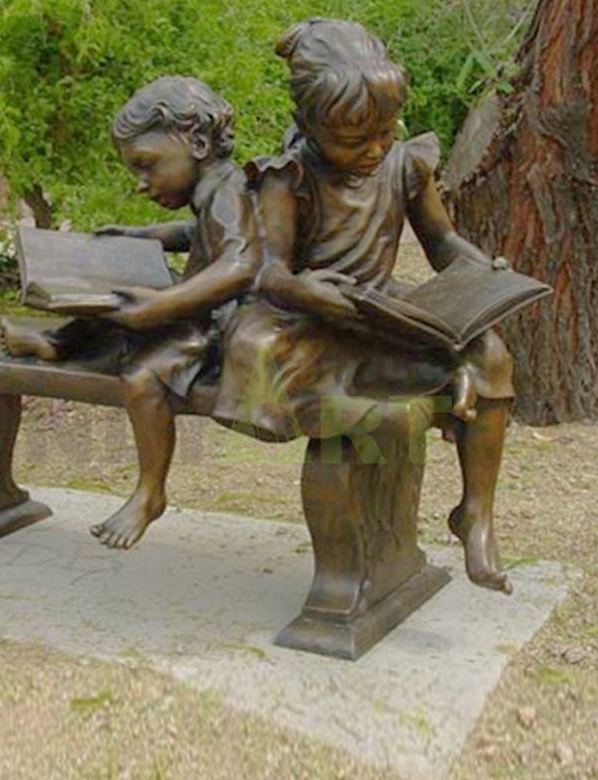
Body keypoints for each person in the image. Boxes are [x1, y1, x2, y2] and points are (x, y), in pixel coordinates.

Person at [213, 18, 514, 593]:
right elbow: (269, 271)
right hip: (314, 318)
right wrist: (310, 292)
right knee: (259, 352)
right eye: (354, 140)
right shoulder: (288, 176)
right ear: (306, 123)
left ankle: (476, 510)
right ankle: (353, 555)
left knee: (491, 356)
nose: (375, 149)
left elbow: (443, 244)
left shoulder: (405, 164)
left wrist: (481, 270)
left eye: (384, 132)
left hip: (380, 313)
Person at [2, 76, 259, 549]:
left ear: (198, 143)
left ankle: (150, 491)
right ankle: (56, 342)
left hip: (219, 321)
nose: (141, 183)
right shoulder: (213, 191)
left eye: (147, 165)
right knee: (114, 295)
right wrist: (144, 235)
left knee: (144, 377)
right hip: (194, 306)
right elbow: (196, 231)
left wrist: (164, 304)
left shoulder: (231, 189)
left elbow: (241, 264)